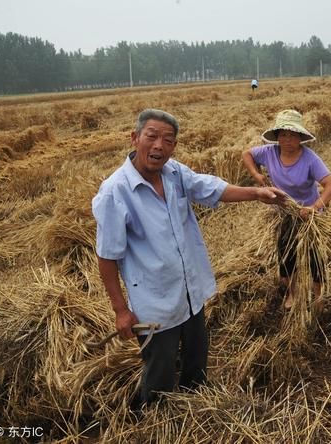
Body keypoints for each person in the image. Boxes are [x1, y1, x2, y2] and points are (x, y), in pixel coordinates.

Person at [92, 108, 286, 406]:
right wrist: (120, 311)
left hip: (190, 292)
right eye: (152, 136)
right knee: (160, 370)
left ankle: (196, 402)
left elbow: (211, 187)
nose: (159, 145)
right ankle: (153, 420)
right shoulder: (114, 193)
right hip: (156, 304)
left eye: (167, 140)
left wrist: (256, 193)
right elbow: (106, 258)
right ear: (135, 138)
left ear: (174, 146)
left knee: (196, 358)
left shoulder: (175, 173)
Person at [242, 109, 331, 310]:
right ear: (276, 137)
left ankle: (319, 296)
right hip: (285, 215)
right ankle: (292, 294)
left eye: (292, 134)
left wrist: (314, 207)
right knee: (287, 258)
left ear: (300, 137)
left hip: (310, 217)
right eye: (283, 134)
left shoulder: (310, 159)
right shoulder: (269, 153)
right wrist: (257, 175)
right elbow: (247, 154)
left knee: (315, 259)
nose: (287, 139)